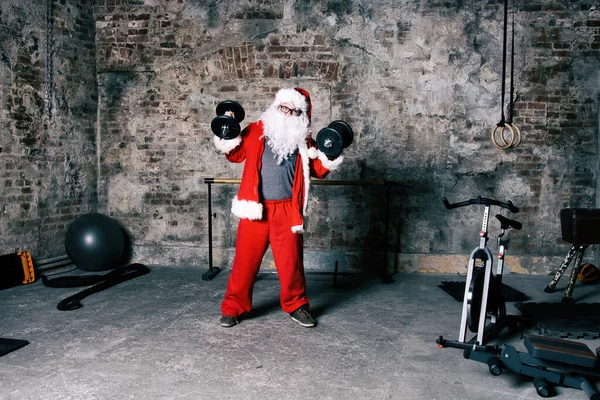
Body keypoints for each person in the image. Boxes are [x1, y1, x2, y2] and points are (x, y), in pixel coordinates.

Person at [213, 87, 344, 328]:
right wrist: (228, 131)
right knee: (244, 262)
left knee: (291, 263)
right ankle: (233, 308)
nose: (288, 113)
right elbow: (234, 154)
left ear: (301, 115)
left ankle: (297, 306)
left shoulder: (304, 141)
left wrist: (332, 153)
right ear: (276, 107)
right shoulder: (255, 130)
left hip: (287, 210)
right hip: (256, 209)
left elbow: (319, 169)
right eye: (284, 108)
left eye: (294, 111)